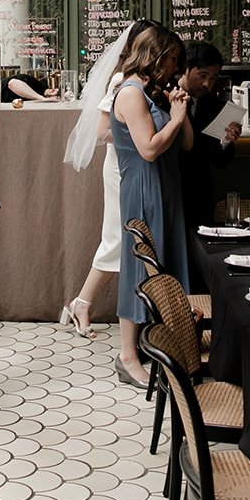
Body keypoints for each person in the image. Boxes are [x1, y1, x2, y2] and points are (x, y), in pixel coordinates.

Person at [60, 18, 163, 338]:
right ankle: (83, 302)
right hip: (122, 167)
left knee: (128, 240)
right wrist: (137, 130)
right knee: (119, 239)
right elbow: (103, 131)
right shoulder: (122, 80)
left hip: (135, 167)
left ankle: (89, 303)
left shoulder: (144, 80)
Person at [112, 25, 193, 388]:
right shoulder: (130, 94)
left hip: (167, 187)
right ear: (155, 56)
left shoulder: (153, 93)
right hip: (144, 190)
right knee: (141, 267)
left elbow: (187, 144)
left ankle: (164, 347)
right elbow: (147, 149)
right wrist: (173, 119)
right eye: (172, 58)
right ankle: (128, 356)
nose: (176, 65)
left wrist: (181, 108)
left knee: (167, 266)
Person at [177, 40, 242, 235]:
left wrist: (227, 141)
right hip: (171, 189)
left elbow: (220, 161)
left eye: (213, 78)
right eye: (202, 75)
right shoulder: (164, 96)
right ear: (185, 69)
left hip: (201, 194)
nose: (207, 84)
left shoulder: (217, 106)